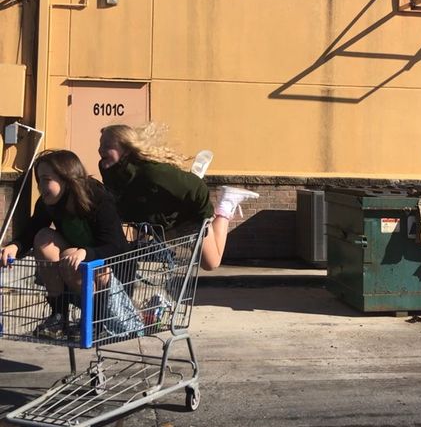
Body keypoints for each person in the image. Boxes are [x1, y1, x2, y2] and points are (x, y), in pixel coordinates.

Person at [0, 149, 129, 339]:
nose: (41, 186)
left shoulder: (99, 198)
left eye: (46, 179)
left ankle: (94, 318)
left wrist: (85, 253)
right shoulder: (48, 203)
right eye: (39, 180)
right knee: (43, 237)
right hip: (77, 271)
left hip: (112, 273)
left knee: (71, 256)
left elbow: (116, 246)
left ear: (66, 178)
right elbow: (33, 230)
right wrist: (15, 246)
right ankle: (59, 316)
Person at [98, 123, 259, 270]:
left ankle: (227, 202)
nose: (100, 150)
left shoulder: (153, 173)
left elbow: (198, 189)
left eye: (107, 146)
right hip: (165, 223)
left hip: (187, 215)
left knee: (211, 263)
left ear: (126, 149)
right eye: (100, 145)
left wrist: (205, 217)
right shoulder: (108, 170)